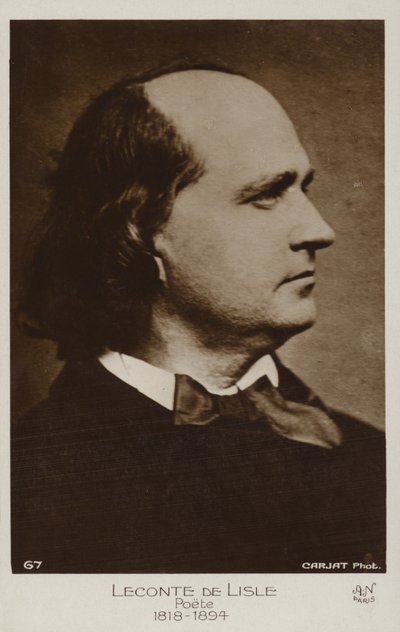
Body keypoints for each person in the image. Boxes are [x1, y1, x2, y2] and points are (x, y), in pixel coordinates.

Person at [12, 63, 385, 573]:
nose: (319, 230)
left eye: (305, 188)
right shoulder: (30, 482)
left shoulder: (373, 460)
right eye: (266, 194)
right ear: (141, 230)